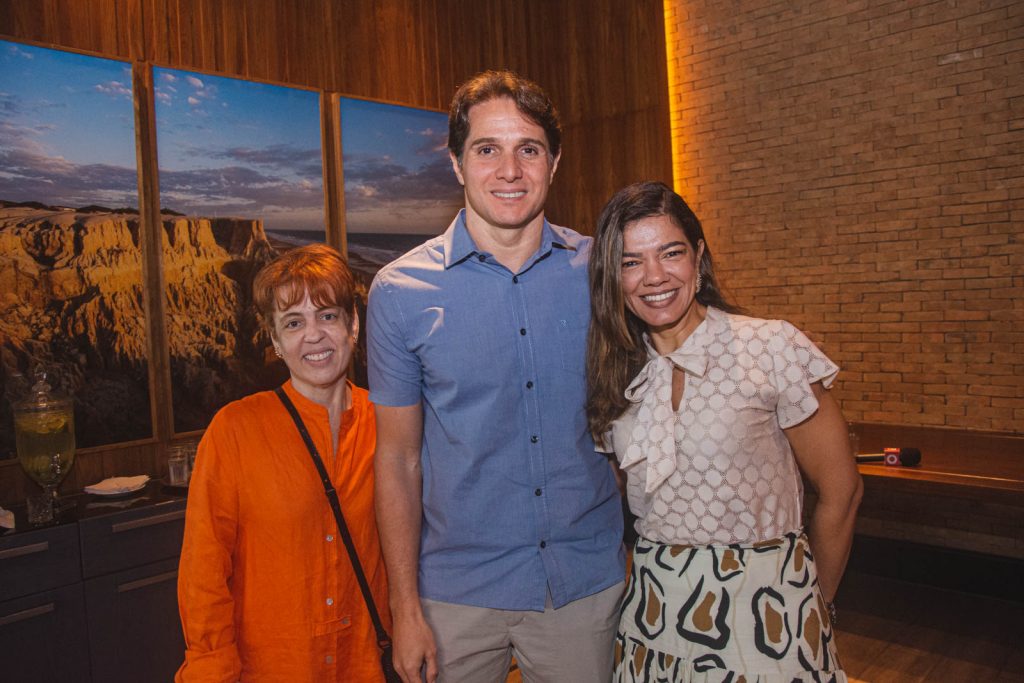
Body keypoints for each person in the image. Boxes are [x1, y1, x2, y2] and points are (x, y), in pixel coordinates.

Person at [367, 70, 625, 683]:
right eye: (487, 149)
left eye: (528, 149)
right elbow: (397, 461)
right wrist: (404, 609)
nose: (509, 169)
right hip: (455, 597)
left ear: (553, 163)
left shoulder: (603, 273)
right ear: (457, 163)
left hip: (583, 588)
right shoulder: (399, 292)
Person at [586, 181, 863, 682]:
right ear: (613, 276)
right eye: (631, 262)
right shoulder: (615, 374)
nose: (654, 277)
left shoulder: (770, 347)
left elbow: (842, 490)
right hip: (656, 615)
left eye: (670, 253)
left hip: (767, 609)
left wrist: (811, 602)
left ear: (698, 255)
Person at [176, 244, 389, 682]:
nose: (313, 335)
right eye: (294, 322)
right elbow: (204, 573)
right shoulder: (236, 431)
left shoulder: (388, 424)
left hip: (367, 666)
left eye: (327, 315)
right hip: (273, 668)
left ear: (352, 324)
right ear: (275, 340)